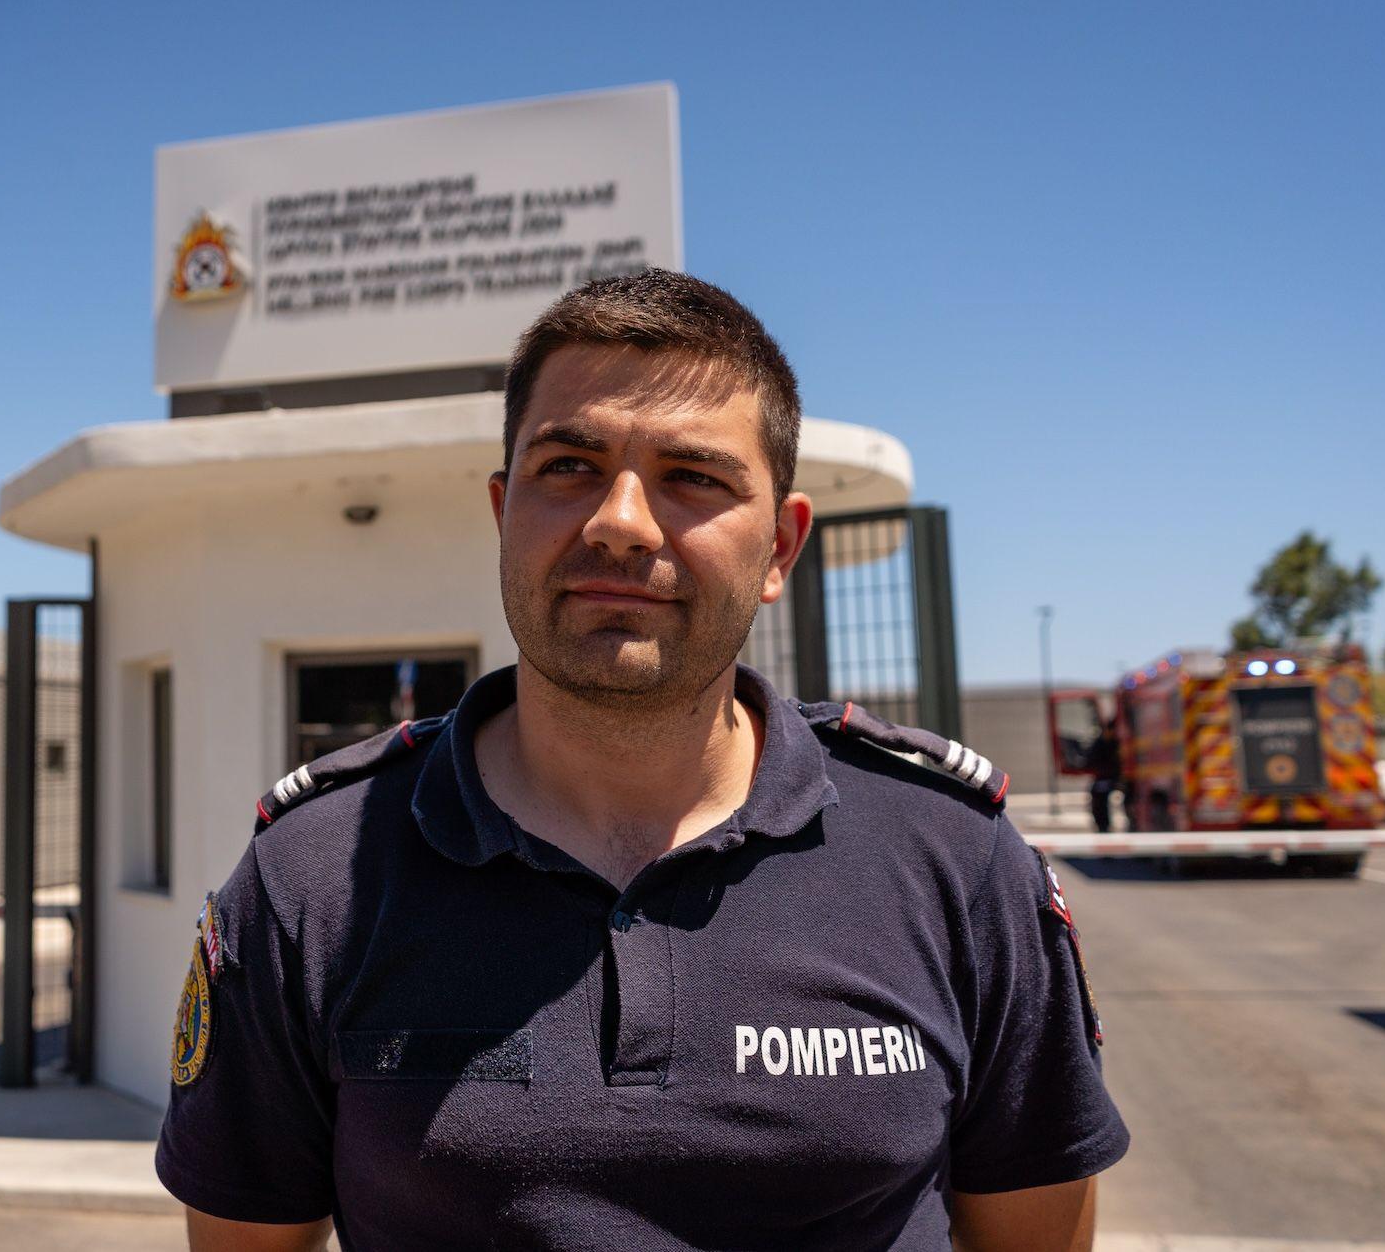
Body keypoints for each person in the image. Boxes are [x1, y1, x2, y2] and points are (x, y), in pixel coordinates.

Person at [156, 269, 1129, 1251]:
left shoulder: (954, 861)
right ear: (502, 509)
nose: (618, 521)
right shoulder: (310, 878)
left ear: (781, 549)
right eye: (568, 466)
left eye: (693, 477)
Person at [1086, 718, 1122, 835]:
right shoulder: (1101, 743)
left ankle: (1105, 827)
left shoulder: (1114, 744)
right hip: (1102, 781)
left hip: (1110, 780)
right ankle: (1102, 827)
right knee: (1098, 804)